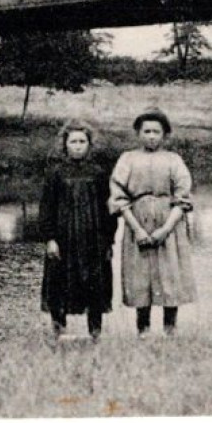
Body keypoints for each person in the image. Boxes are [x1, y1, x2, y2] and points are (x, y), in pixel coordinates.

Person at [109, 108, 197, 336]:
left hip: (169, 224)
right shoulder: (127, 159)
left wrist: (166, 229)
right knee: (140, 278)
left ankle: (170, 330)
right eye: (146, 131)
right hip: (137, 222)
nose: (151, 136)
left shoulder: (173, 160)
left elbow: (183, 197)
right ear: (138, 133)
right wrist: (136, 229)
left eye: (156, 132)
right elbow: (118, 196)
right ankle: (143, 331)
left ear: (164, 135)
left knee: (170, 275)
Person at [39, 120, 115, 341]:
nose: (78, 146)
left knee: (95, 282)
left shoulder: (99, 173)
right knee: (59, 280)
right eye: (73, 141)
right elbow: (46, 209)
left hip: (93, 238)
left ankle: (95, 332)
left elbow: (107, 209)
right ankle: (58, 329)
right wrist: (50, 238)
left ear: (89, 145)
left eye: (83, 141)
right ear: (65, 144)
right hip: (64, 238)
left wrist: (109, 240)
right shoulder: (55, 173)